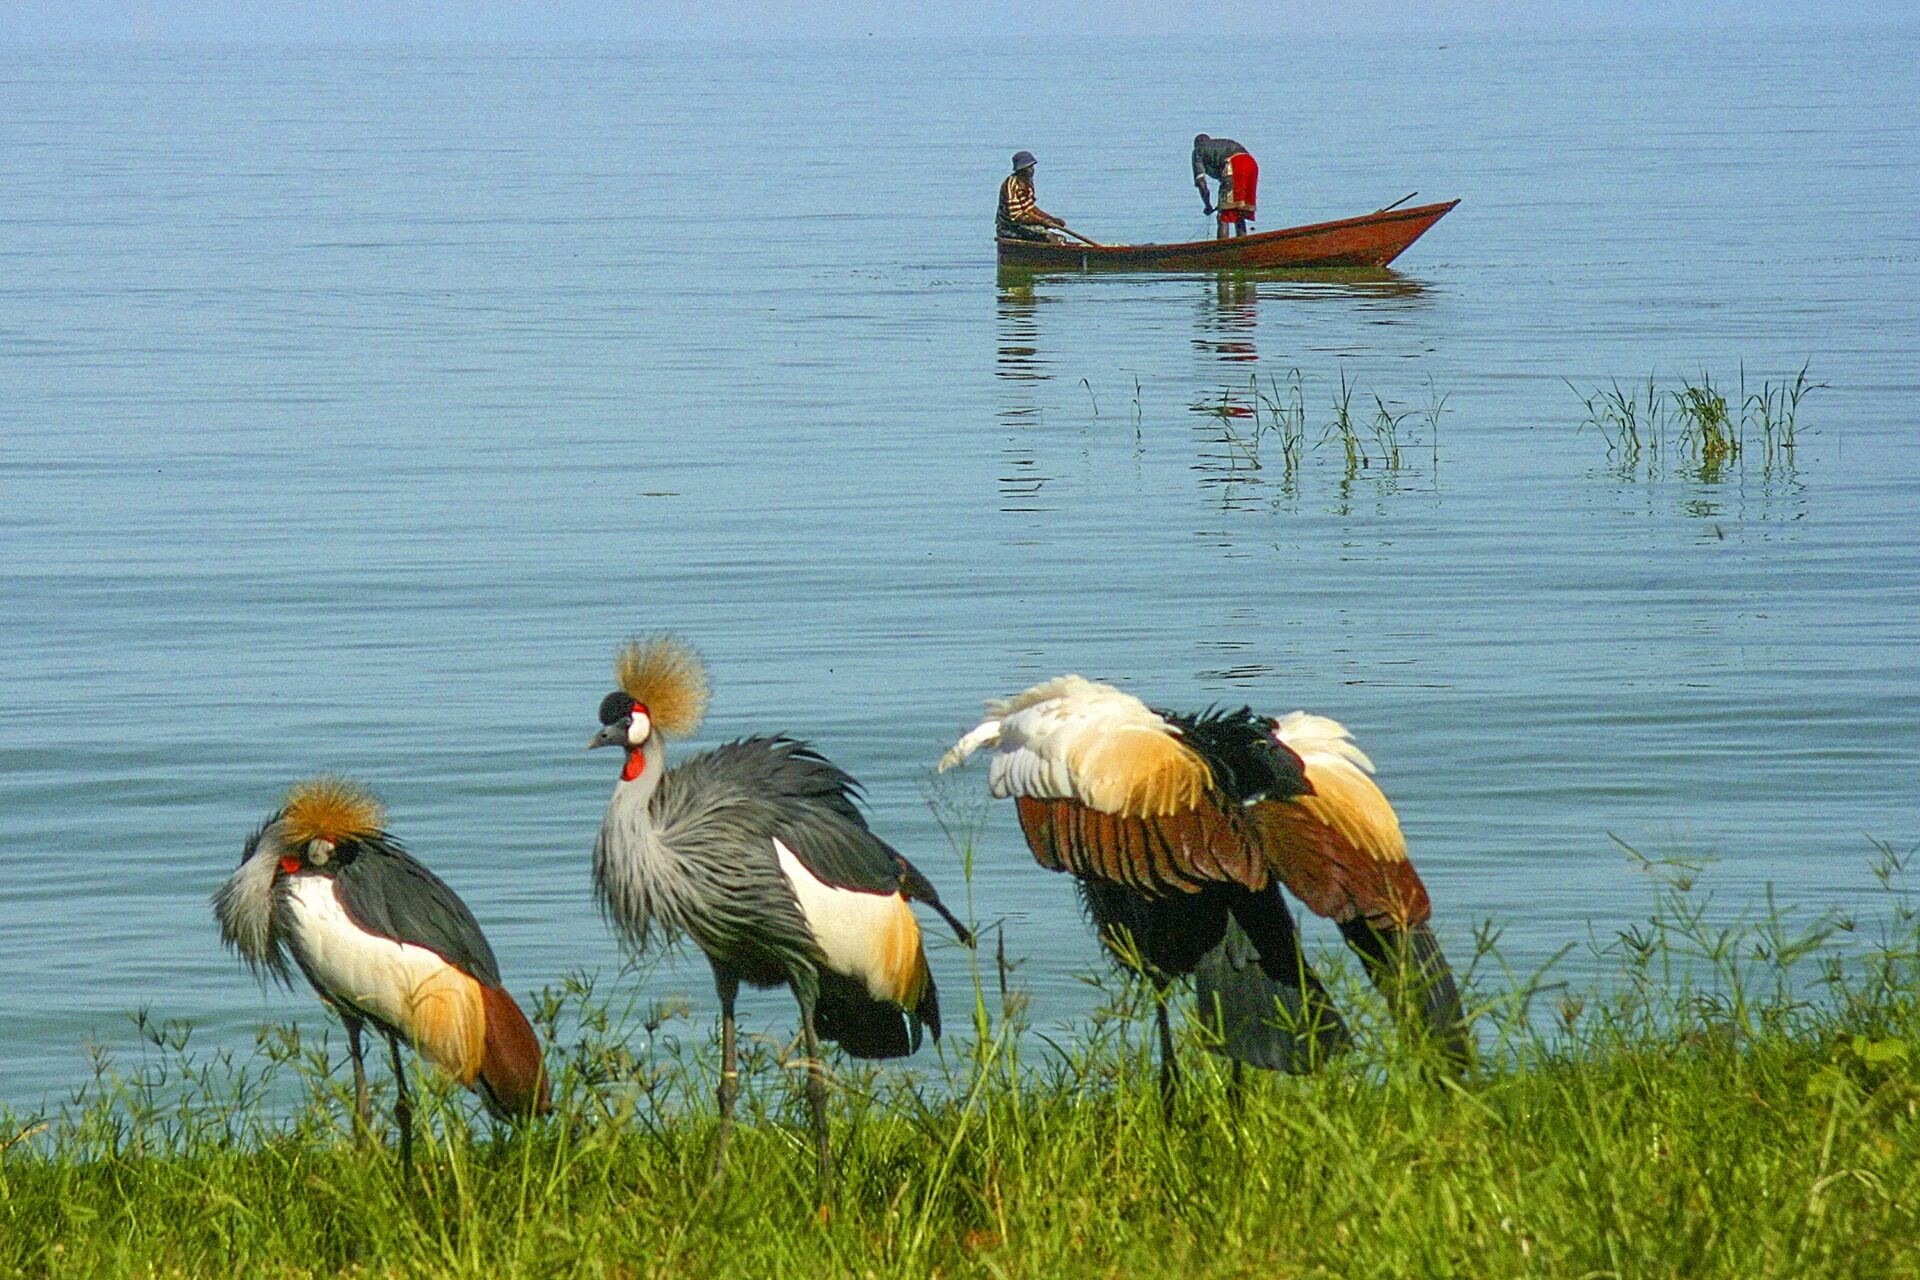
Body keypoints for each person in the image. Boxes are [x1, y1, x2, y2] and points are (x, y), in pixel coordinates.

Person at [1192, 133, 1259, 240]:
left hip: (1234, 165)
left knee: (1223, 215)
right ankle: (1243, 246)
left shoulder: (1198, 150)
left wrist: (1208, 205)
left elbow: (1201, 183)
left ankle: (1221, 249)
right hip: (1251, 165)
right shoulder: (1220, 145)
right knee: (1239, 211)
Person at [997, 151, 1067, 243]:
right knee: (1051, 238)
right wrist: (1042, 221)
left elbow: (1030, 209)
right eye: (1028, 167)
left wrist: (1051, 219)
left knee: (1061, 239)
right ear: (1021, 170)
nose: (1032, 170)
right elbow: (1016, 216)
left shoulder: (1028, 183)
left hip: (1024, 225)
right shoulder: (1011, 185)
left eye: (1032, 167)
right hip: (1009, 228)